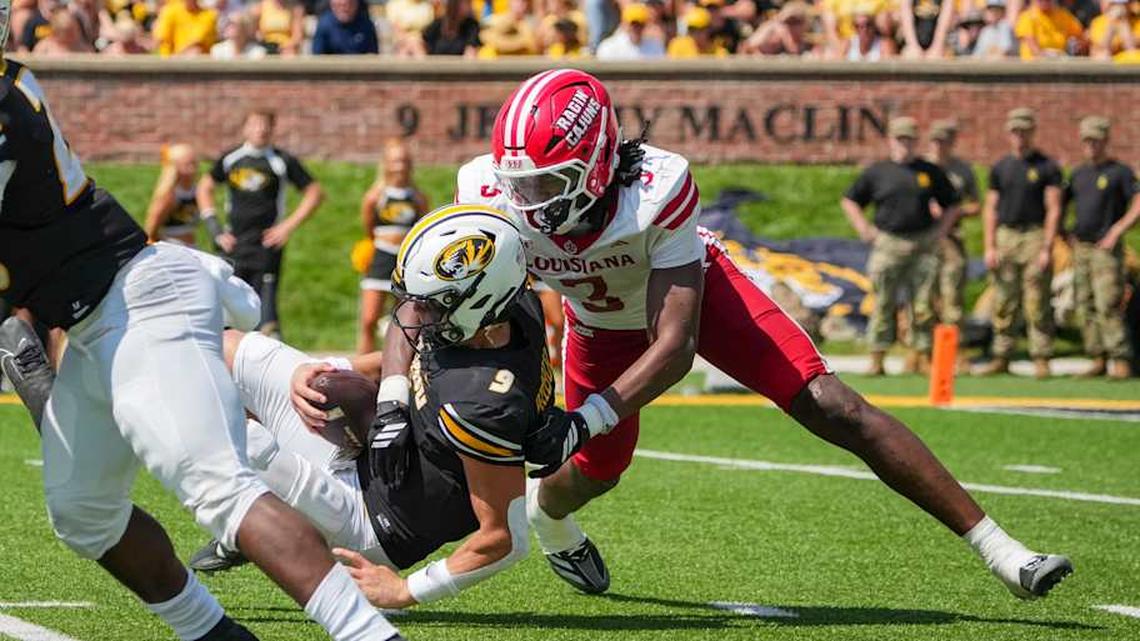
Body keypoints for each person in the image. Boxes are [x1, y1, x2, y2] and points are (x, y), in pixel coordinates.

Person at [343, 69, 1073, 603]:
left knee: (831, 402)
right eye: (519, 182)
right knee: (592, 473)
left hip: (686, 306)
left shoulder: (655, 191)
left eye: (545, 182)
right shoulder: (491, 188)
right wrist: (388, 399)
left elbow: (674, 343)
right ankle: (554, 522)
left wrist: (590, 414)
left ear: (597, 162)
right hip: (595, 326)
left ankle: (1000, 548)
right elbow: (423, 291)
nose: (526, 200)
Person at [0, 28, 403, 641]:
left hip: (135, 300)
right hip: (93, 323)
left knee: (216, 484)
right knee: (82, 509)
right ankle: (213, 633)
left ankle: (371, 635)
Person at [189, 206, 558, 612]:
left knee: (230, 435)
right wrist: (327, 370)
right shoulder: (502, 309)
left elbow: (505, 538)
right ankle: (266, 510)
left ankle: (247, 523)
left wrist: (406, 591)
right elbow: (420, 346)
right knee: (222, 347)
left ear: (480, 298)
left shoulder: (483, 402)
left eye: (432, 306)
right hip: (363, 453)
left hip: (368, 520)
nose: (415, 314)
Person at [841, 117, 961, 376]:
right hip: (889, 244)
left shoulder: (928, 171)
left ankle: (920, 356)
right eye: (900, 139)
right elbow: (850, 200)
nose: (905, 144)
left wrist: (941, 232)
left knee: (923, 304)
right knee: (883, 301)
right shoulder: (878, 172)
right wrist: (864, 228)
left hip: (922, 243)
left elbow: (952, 203)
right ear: (891, 140)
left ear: (916, 141)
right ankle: (877, 357)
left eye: (909, 139)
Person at [197, 110, 324, 340]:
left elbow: (315, 192)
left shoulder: (280, 161)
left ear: (273, 129)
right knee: (228, 306)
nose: (260, 129)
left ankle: (267, 359)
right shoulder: (231, 158)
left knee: (265, 310)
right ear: (245, 128)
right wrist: (214, 228)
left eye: (266, 125)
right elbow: (204, 187)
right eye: (255, 124)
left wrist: (287, 226)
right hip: (233, 244)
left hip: (266, 245)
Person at [976, 108, 1062, 379]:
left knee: (1037, 300)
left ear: (1033, 132)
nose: (1020, 136)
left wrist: (1048, 247)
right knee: (1004, 299)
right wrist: (989, 246)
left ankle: (1041, 356)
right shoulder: (1001, 167)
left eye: (1024, 131)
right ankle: (1002, 355)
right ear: (1009, 133)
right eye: (1015, 131)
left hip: (1034, 235)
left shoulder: (1047, 167)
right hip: (1006, 236)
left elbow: (1054, 208)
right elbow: (991, 208)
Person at [1065, 116, 1140, 380]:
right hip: (1082, 248)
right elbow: (1060, 205)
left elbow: (1138, 203)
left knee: (1108, 302)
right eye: (1087, 140)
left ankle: (1120, 358)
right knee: (1084, 303)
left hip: (1106, 249)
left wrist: (1117, 231)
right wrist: (1067, 236)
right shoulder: (1078, 174)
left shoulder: (1119, 172)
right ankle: (1097, 356)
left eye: (1096, 140)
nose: (1092, 145)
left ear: (1105, 141)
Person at [358, 139, 429, 355]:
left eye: (404, 160)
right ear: (386, 163)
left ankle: (399, 366)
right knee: (369, 319)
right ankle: (365, 367)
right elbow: (368, 227)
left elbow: (423, 227)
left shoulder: (417, 197)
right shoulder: (375, 196)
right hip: (381, 256)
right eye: (395, 160)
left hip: (405, 260)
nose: (400, 165)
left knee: (403, 320)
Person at [927, 119, 980, 333]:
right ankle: (922, 349)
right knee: (924, 294)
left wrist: (957, 211)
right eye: (935, 141)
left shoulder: (963, 170)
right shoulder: (921, 167)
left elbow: (976, 205)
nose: (939, 146)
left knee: (953, 293)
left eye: (944, 142)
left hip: (952, 237)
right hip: (924, 237)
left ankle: (955, 349)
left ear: (952, 143)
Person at [144, 143, 202, 246]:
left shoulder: (196, 189)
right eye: (188, 164)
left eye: (195, 163)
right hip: (173, 246)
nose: (193, 169)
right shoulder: (169, 195)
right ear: (175, 166)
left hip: (191, 246)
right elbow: (151, 228)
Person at [1014, 0, 1085, 58]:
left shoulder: (1063, 15)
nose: (1044, 1)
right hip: (1033, 67)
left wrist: (1077, 46)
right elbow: (1034, 48)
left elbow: (1081, 37)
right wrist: (1050, 55)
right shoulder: (1027, 17)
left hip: (1059, 65)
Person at [595, 2, 665, 59]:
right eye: (633, 24)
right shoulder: (609, 47)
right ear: (625, 24)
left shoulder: (655, 47)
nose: (636, 28)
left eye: (640, 24)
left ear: (645, 25)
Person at [741, 1, 813, 56]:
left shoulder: (804, 39)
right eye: (790, 21)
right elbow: (746, 47)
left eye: (797, 22)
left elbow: (795, 52)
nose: (793, 26)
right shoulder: (772, 27)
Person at [311, 0, 380, 54]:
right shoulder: (324, 25)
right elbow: (317, 58)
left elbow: (373, 57)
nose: (345, 6)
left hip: (359, 70)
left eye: (349, 3)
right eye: (340, 4)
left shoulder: (366, 25)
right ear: (332, 3)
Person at [152, 0, 218, 56]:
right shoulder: (170, 10)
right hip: (170, 62)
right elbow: (160, 38)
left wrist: (177, 57)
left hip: (195, 64)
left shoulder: (208, 15)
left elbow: (196, 42)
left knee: (195, 51)